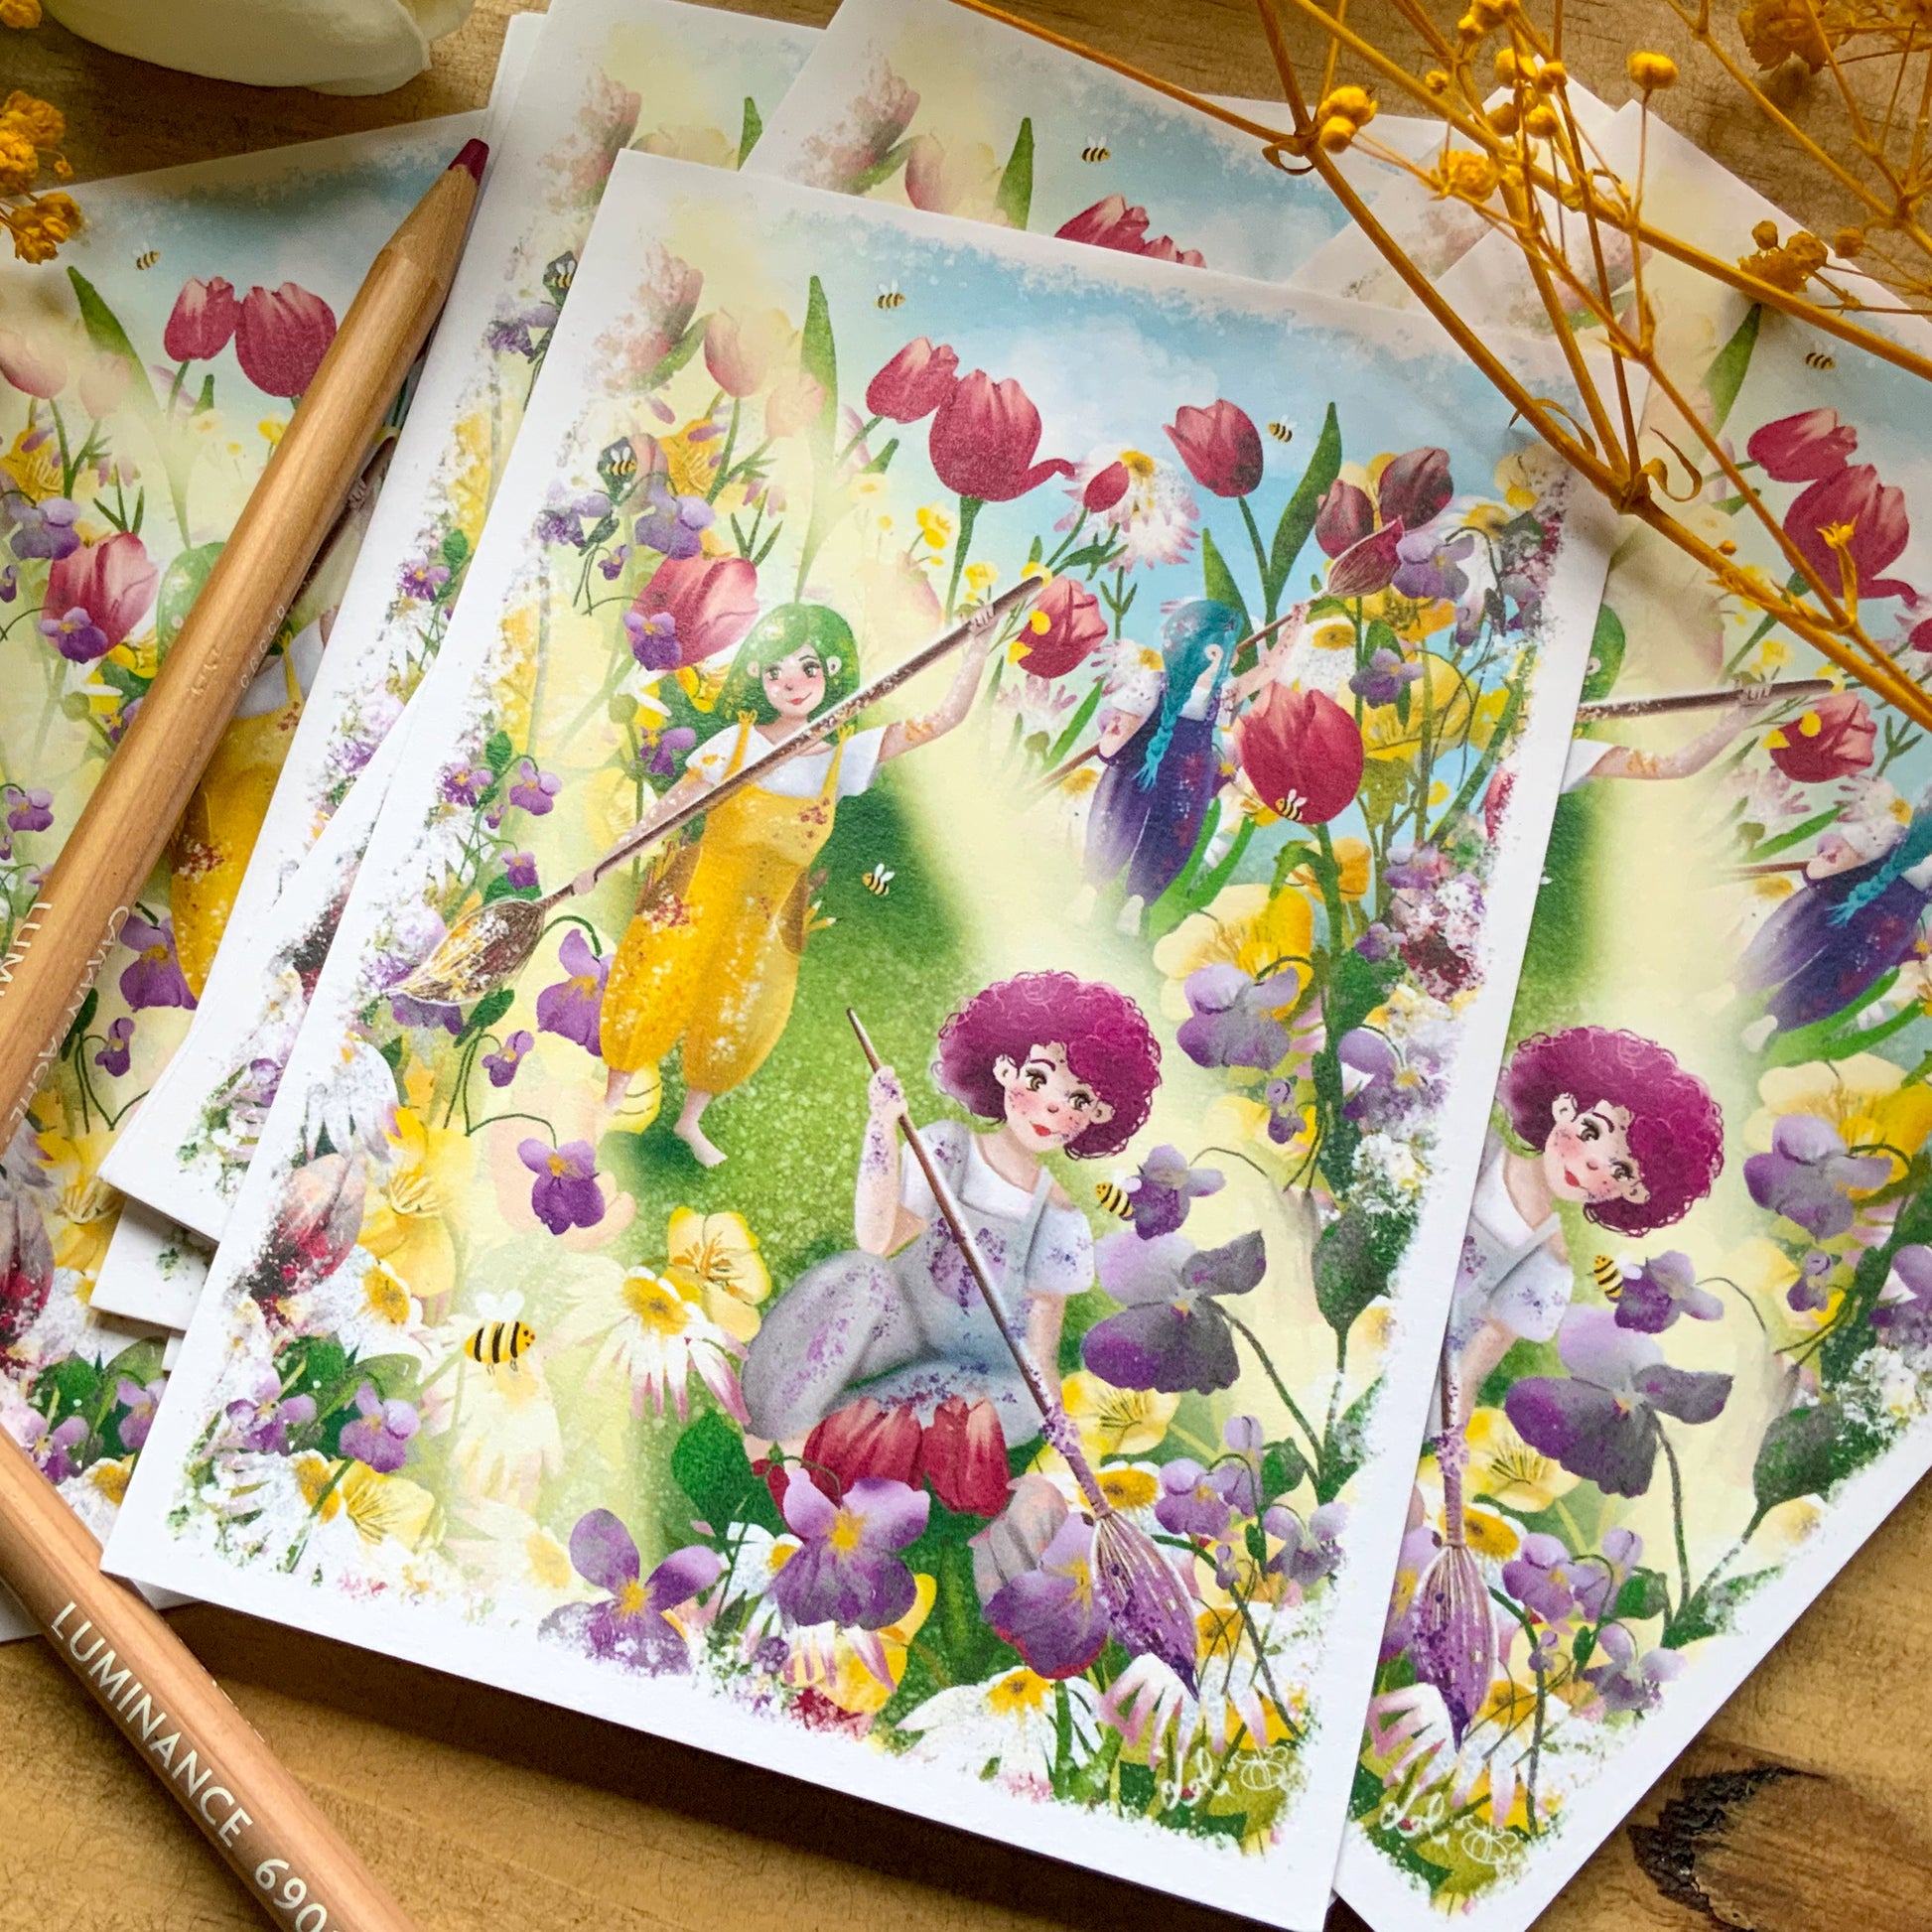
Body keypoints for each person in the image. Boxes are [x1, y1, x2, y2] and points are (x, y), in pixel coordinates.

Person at [597, 601, 994, 1167]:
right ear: (759, 677)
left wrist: (977, 645)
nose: (792, 683)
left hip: (766, 914)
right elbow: (669, 811)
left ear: (831, 673)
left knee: (740, 1007)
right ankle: (612, 1100)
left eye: (808, 668)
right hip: (697, 897)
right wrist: (607, 860)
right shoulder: (734, 745)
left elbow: (942, 720)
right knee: (655, 984)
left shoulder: (844, 759)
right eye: (776, 670)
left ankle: (690, 1121)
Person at [740, 972, 1161, 1454]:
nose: (1051, 1107)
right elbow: (876, 1241)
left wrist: (1054, 1415)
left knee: (1018, 1403)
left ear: (1100, 1114)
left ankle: (825, 1442)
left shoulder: (1059, 1218)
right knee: (861, 1274)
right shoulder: (946, 1149)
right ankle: (776, 1418)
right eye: (1038, 1079)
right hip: (897, 1331)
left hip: (971, 1372)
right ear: (1004, 1068)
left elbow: (1040, 1346)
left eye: (1078, 1100)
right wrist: (881, 1127)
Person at [1443, 1025, 1725, 1422]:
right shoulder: (1478, 1141)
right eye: (1591, 1131)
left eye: (1620, 1170)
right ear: (1564, 1106)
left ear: (1635, 1194)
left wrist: (1448, 1434)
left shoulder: (1548, 1263)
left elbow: (1470, 1369)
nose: (1593, 1163)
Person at [1080, 600, 1243, 934]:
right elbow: (1122, 727)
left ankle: (1137, 902)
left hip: (1186, 775)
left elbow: (1257, 678)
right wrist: (1112, 745)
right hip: (1140, 764)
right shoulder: (1153, 682)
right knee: (1115, 819)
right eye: (1222, 650)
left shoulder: (1217, 696)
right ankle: (1089, 890)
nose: (1232, 658)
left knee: (1173, 834)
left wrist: (1290, 634)